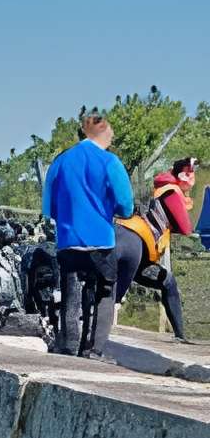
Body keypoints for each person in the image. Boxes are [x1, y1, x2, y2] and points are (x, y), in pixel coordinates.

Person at [42, 114, 134, 357]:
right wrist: (112, 210)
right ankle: (94, 349)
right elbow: (126, 205)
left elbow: (49, 207)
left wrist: (67, 220)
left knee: (70, 292)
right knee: (105, 291)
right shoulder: (109, 161)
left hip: (68, 240)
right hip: (100, 241)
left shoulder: (60, 161)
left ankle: (68, 345)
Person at [113, 158, 196, 341]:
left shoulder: (168, 190)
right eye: (189, 172)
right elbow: (186, 228)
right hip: (136, 241)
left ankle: (180, 335)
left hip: (140, 250)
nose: (192, 177)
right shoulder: (171, 192)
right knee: (110, 294)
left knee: (168, 281)